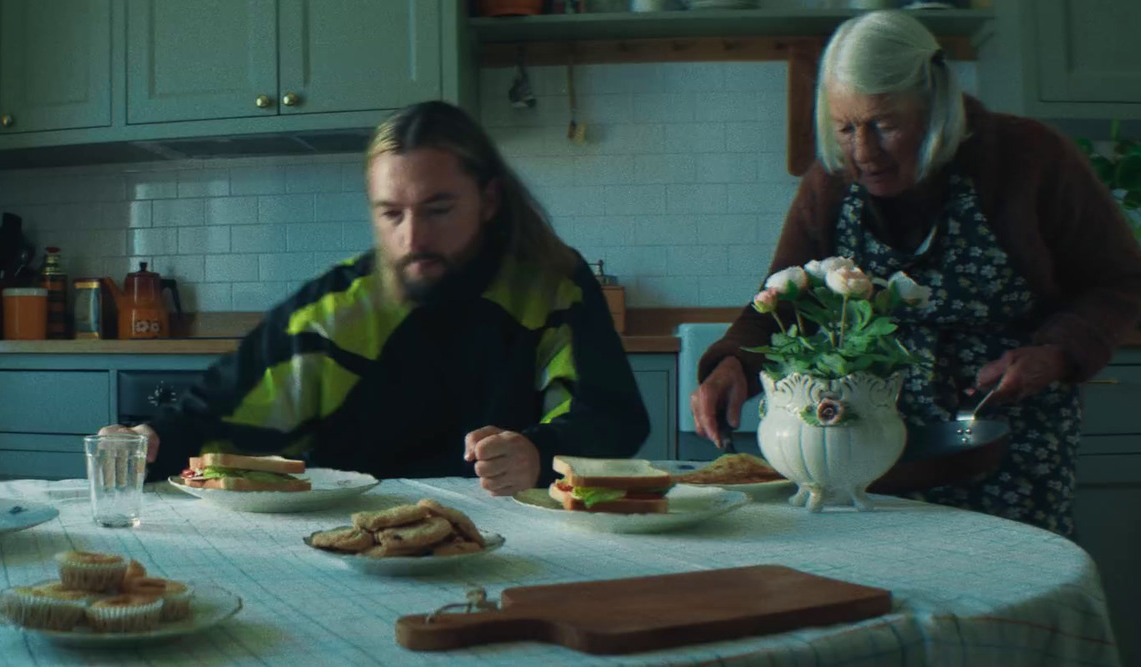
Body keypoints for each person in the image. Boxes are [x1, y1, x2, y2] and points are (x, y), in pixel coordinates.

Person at [690, 11, 1141, 536]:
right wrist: (733, 366)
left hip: (1005, 442)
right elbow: (781, 298)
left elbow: (1118, 279)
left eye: (884, 125)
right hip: (865, 452)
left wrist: (1058, 352)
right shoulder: (830, 184)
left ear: (934, 102)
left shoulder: (1031, 158)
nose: (862, 153)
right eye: (845, 127)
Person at [100, 101, 650, 496]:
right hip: (352, 539)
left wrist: (536, 453)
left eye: (438, 209)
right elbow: (221, 408)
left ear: (488, 200)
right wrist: (152, 439)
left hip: (519, 539)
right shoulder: (341, 302)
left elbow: (611, 418)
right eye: (392, 214)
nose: (413, 240)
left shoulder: (552, 283)